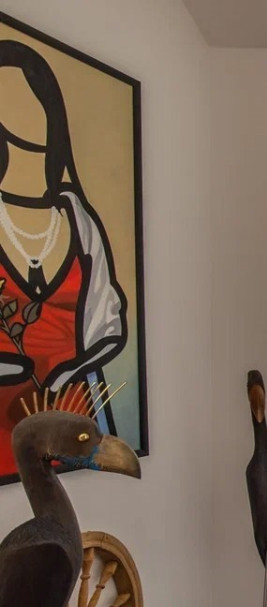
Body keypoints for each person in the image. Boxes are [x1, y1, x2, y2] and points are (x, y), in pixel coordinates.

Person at [0, 40, 128, 476]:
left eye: (32, 96)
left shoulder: (77, 217)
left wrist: (68, 372)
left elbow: (109, 326)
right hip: (6, 434)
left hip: (74, 421)